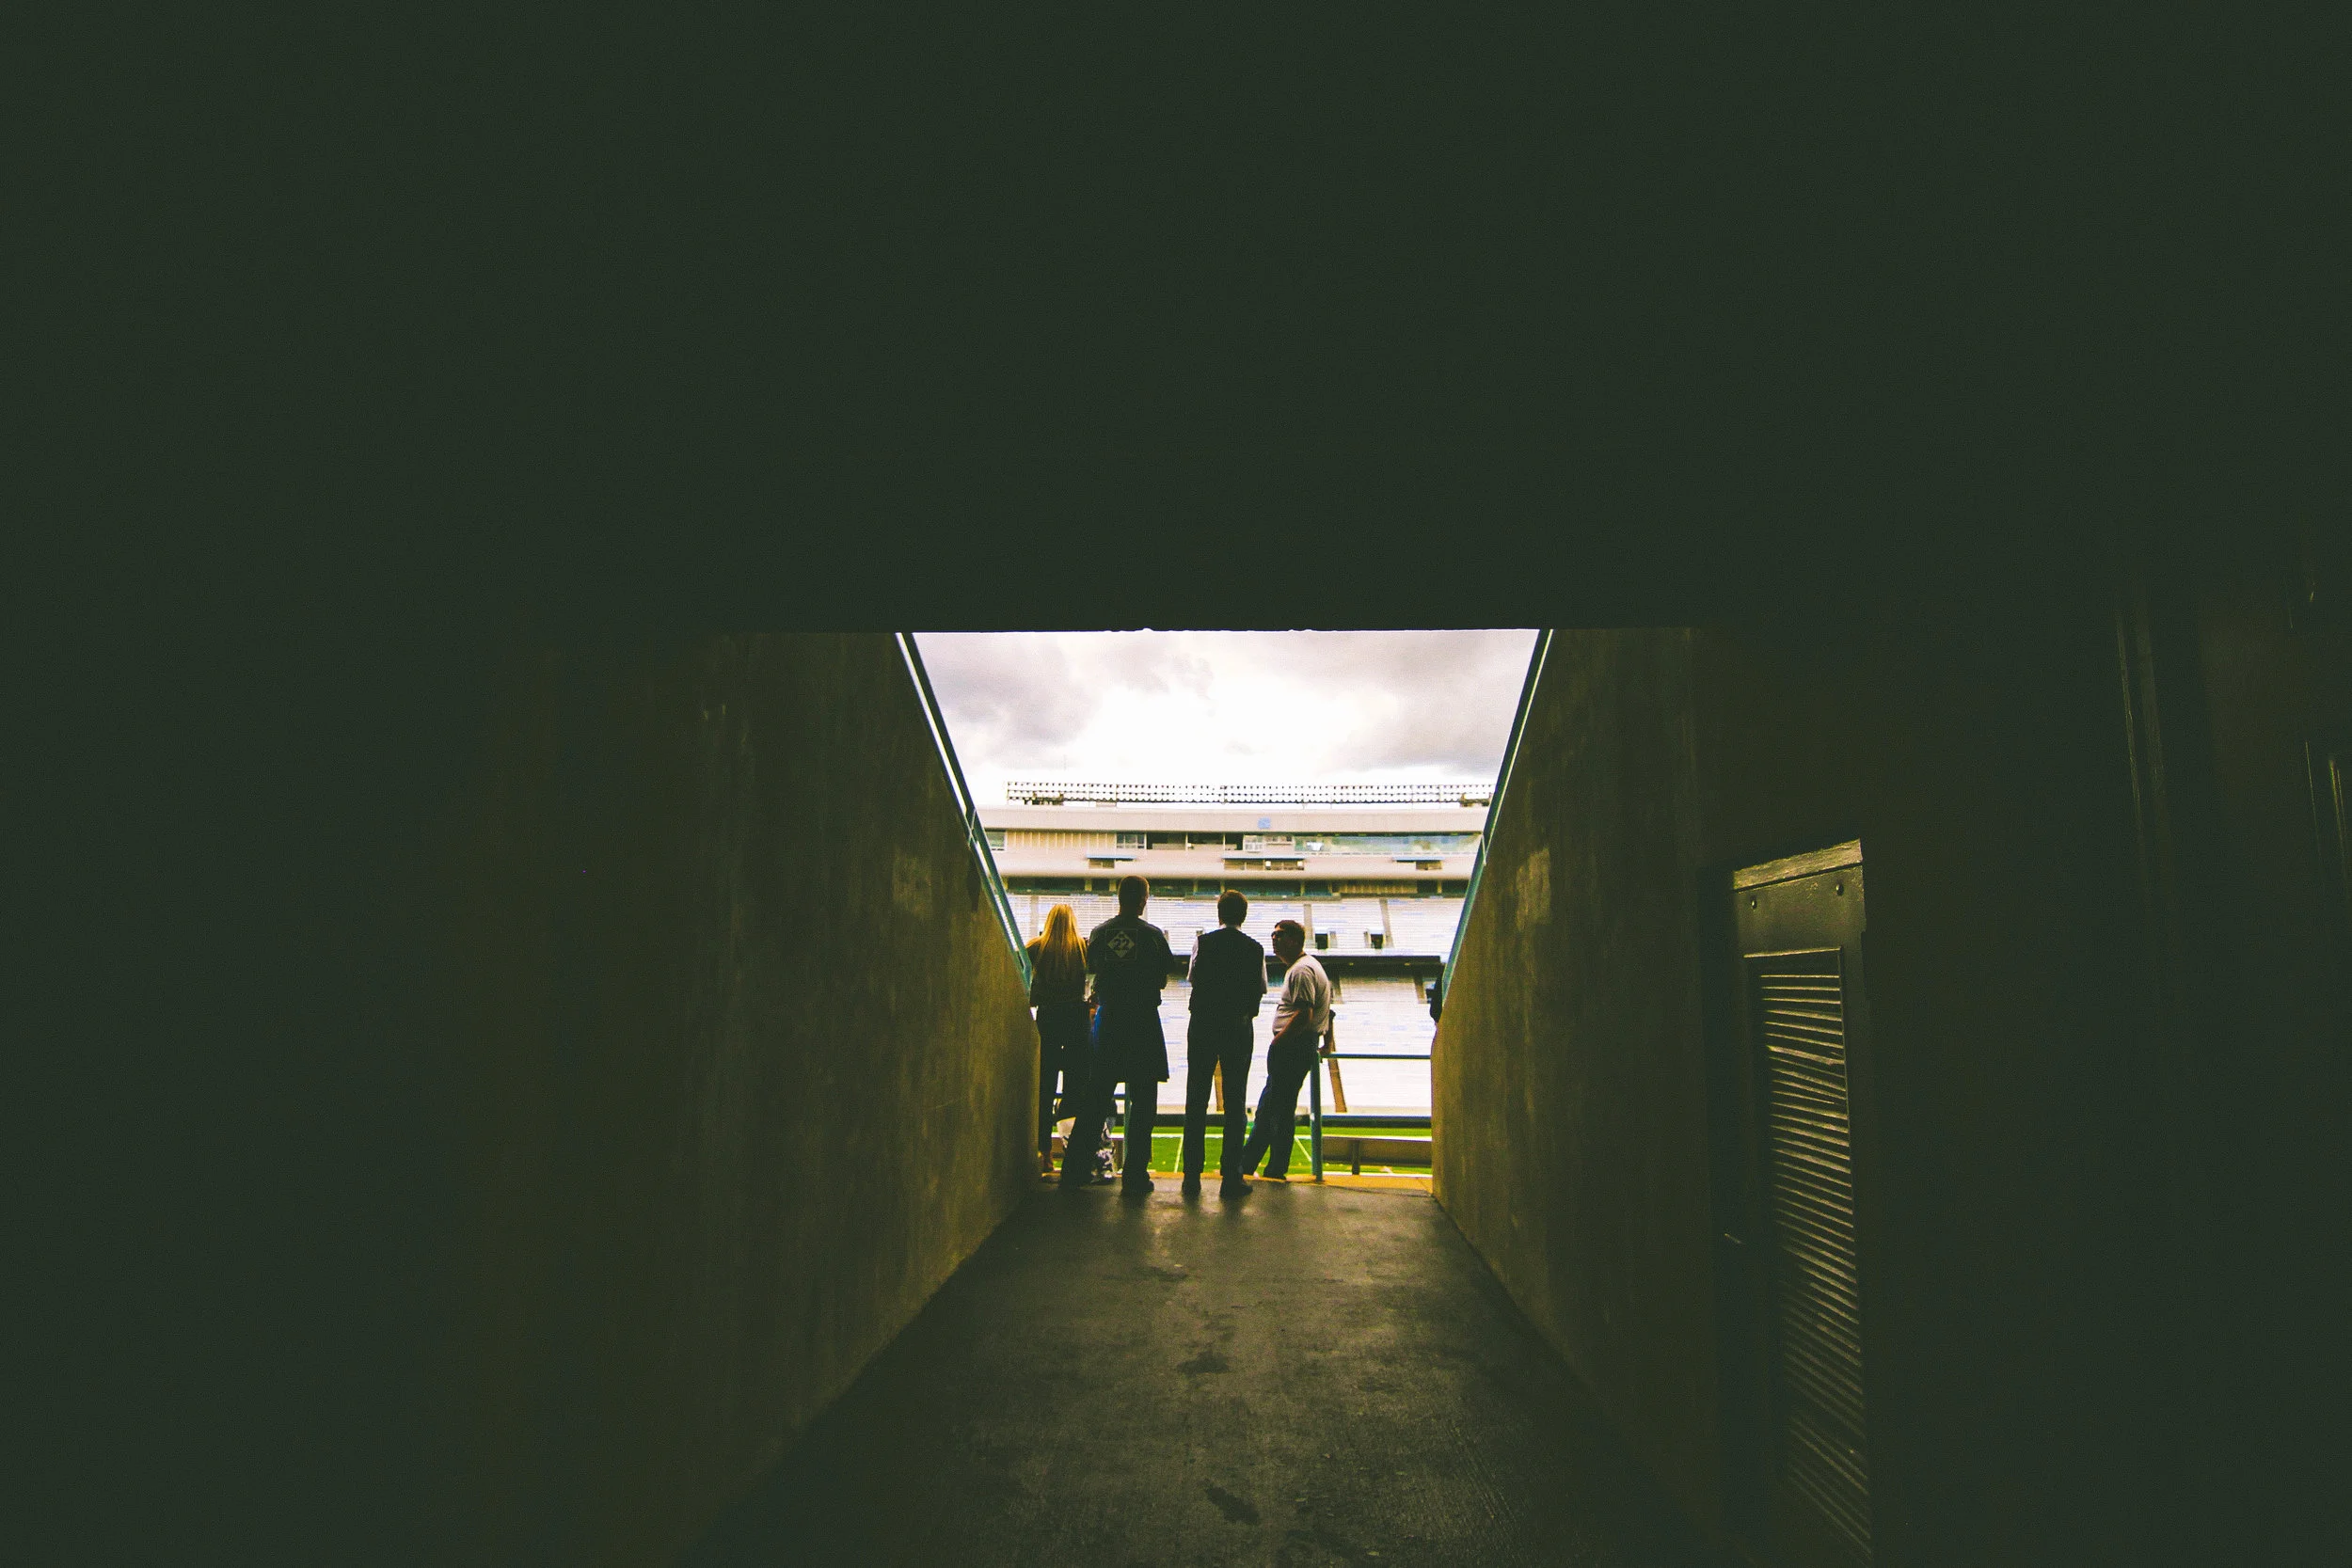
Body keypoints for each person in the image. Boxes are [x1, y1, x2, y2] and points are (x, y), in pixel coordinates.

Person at [1058, 875, 1175, 1195]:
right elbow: (1163, 977)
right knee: (1143, 1100)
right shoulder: (1152, 936)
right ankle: (1135, 1175)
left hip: (1108, 1022)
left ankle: (1075, 1170)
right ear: (1143, 900)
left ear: (1119, 898)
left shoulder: (1100, 933)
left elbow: (1090, 966)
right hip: (1142, 1023)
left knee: (1095, 1098)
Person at [1180, 889, 1267, 1198]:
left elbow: (1193, 978)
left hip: (1203, 1025)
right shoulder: (1255, 949)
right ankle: (1231, 1175)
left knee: (1196, 1100)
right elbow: (1260, 989)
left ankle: (1192, 1176)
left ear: (1220, 914)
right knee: (1235, 1102)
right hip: (1237, 1027)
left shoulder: (1203, 942)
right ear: (1243, 916)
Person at [1235, 918, 1332, 1183]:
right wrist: (1328, 1042)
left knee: (1270, 1107)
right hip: (1301, 1044)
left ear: (1294, 940)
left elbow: (1304, 1013)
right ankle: (1272, 1166)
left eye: (1279, 935)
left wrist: (1278, 1042)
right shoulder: (1310, 966)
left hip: (1293, 1045)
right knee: (1281, 1108)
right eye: (1273, 934)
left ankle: (1246, 1164)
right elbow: (1328, 1012)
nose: (1274, 939)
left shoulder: (1301, 971)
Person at [1025, 903, 1090, 1178]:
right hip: (1076, 1019)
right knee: (1075, 1088)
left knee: (1045, 1087)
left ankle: (1045, 1154)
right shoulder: (1082, 947)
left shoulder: (1036, 947)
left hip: (1048, 1018)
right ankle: (1074, 1153)